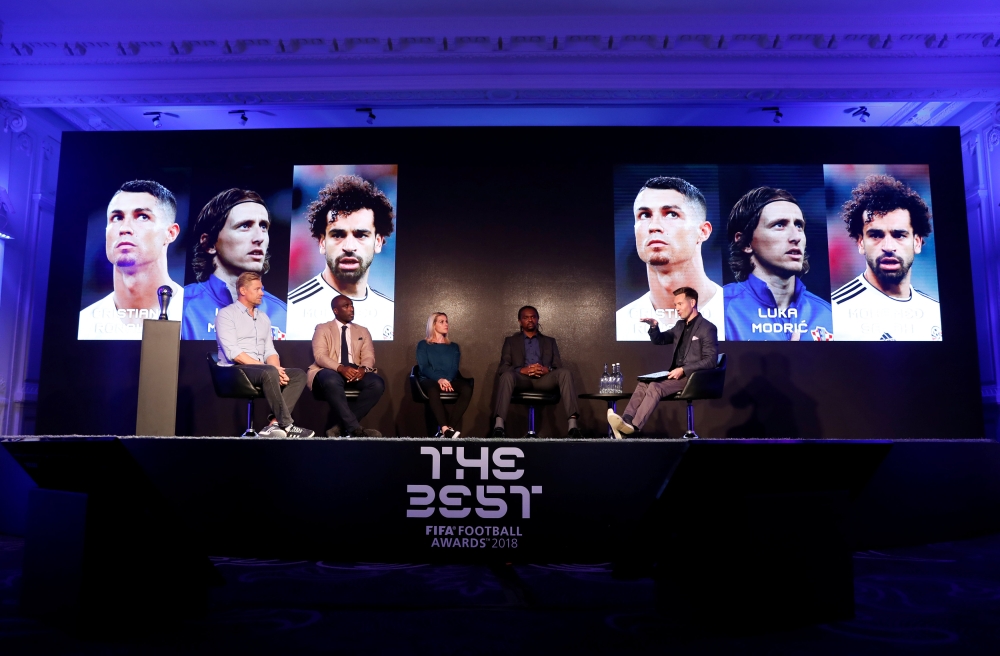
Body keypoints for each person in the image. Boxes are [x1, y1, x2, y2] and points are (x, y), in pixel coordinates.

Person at [831, 174, 941, 341]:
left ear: (917, 243)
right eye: (876, 235)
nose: (888, 247)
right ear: (860, 243)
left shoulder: (935, 312)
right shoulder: (834, 312)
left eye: (899, 235)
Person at [616, 176, 725, 341]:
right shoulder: (621, 323)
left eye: (671, 214)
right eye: (645, 215)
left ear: (703, 232)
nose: (654, 226)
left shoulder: (735, 317)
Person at [286, 175, 395, 341]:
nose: (349, 246)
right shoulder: (292, 310)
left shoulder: (389, 311)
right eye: (338, 235)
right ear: (322, 242)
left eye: (361, 235)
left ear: (378, 243)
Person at [723, 187, 833, 341]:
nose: (796, 237)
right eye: (780, 225)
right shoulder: (721, 310)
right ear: (745, 242)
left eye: (799, 225)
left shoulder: (826, 314)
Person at [78, 180, 184, 340]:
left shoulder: (193, 316)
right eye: (117, 217)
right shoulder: (84, 323)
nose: (124, 228)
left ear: (171, 233)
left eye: (142, 216)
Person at [608, 287, 719, 438]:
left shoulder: (707, 328)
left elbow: (711, 360)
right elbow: (660, 340)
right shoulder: (680, 325)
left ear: (692, 302)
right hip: (675, 375)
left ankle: (633, 427)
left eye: (680, 304)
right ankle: (626, 421)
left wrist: (684, 369)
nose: (677, 308)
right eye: (675, 305)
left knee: (655, 386)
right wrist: (654, 326)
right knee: (643, 383)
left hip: (693, 377)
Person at [215, 272, 314, 438]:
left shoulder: (264, 318)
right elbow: (234, 353)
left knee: (298, 375)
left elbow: (270, 350)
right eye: (257, 289)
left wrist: (277, 369)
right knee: (269, 372)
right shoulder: (226, 314)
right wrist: (270, 369)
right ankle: (288, 425)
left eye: (262, 289)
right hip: (234, 370)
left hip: (260, 370)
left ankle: (274, 424)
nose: (262, 292)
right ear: (243, 291)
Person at [182, 189, 286, 340]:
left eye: (263, 226)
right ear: (209, 244)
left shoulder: (282, 313)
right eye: (245, 226)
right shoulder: (181, 306)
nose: (259, 237)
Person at [492, 306, 582, 439]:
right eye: (526, 317)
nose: (530, 320)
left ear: (538, 319)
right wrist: (523, 370)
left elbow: (558, 366)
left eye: (533, 317)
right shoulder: (511, 341)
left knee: (565, 373)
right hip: (521, 379)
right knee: (506, 375)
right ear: (519, 321)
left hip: (544, 380)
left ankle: (573, 426)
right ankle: (499, 427)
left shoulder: (550, 341)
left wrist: (548, 369)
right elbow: (503, 367)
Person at [307, 294, 385, 437]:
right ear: (336, 310)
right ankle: (354, 428)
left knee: (377, 383)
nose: (351, 309)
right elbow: (320, 356)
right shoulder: (323, 328)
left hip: (355, 370)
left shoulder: (362, 330)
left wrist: (363, 369)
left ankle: (341, 428)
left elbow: (368, 355)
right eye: (346, 306)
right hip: (330, 369)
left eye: (352, 305)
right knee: (330, 379)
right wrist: (341, 368)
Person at [416, 312, 474, 439]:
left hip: (449, 379)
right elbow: (424, 367)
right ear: (433, 324)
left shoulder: (453, 347)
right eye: (441, 321)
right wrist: (439, 379)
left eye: (446, 321)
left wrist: (447, 379)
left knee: (466, 388)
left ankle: (449, 429)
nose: (446, 324)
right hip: (429, 379)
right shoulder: (423, 344)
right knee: (432, 388)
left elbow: (454, 367)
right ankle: (444, 427)